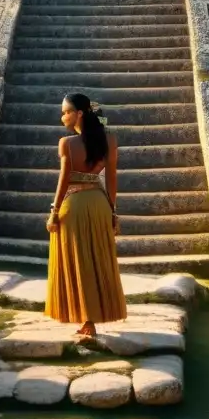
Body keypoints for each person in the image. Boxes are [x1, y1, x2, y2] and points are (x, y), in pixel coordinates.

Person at [44, 92, 127, 340]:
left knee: (78, 263)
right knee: (98, 260)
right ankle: (91, 319)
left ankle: (86, 318)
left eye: (66, 111)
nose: (63, 117)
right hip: (100, 203)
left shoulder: (67, 144)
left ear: (79, 114)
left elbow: (64, 180)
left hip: (75, 205)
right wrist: (113, 211)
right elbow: (111, 179)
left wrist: (54, 212)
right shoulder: (109, 140)